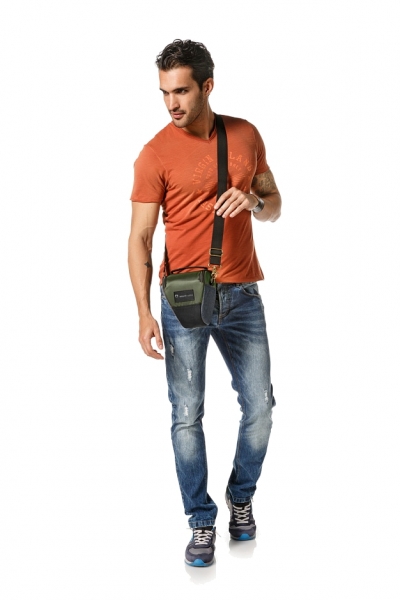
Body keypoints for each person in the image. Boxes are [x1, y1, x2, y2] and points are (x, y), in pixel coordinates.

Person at [128, 39, 281, 567]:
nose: (171, 103)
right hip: (182, 300)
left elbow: (274, 206)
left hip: (242, 295)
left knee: (260, 407)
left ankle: (241, 497)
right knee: (186, 414)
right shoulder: (154, 153)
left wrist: (254, 200)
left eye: (181, 91)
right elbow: (140, 237)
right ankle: (200, 520)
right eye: (164, 92)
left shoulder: (245, 135)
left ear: (207, 86)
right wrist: (144, 312)